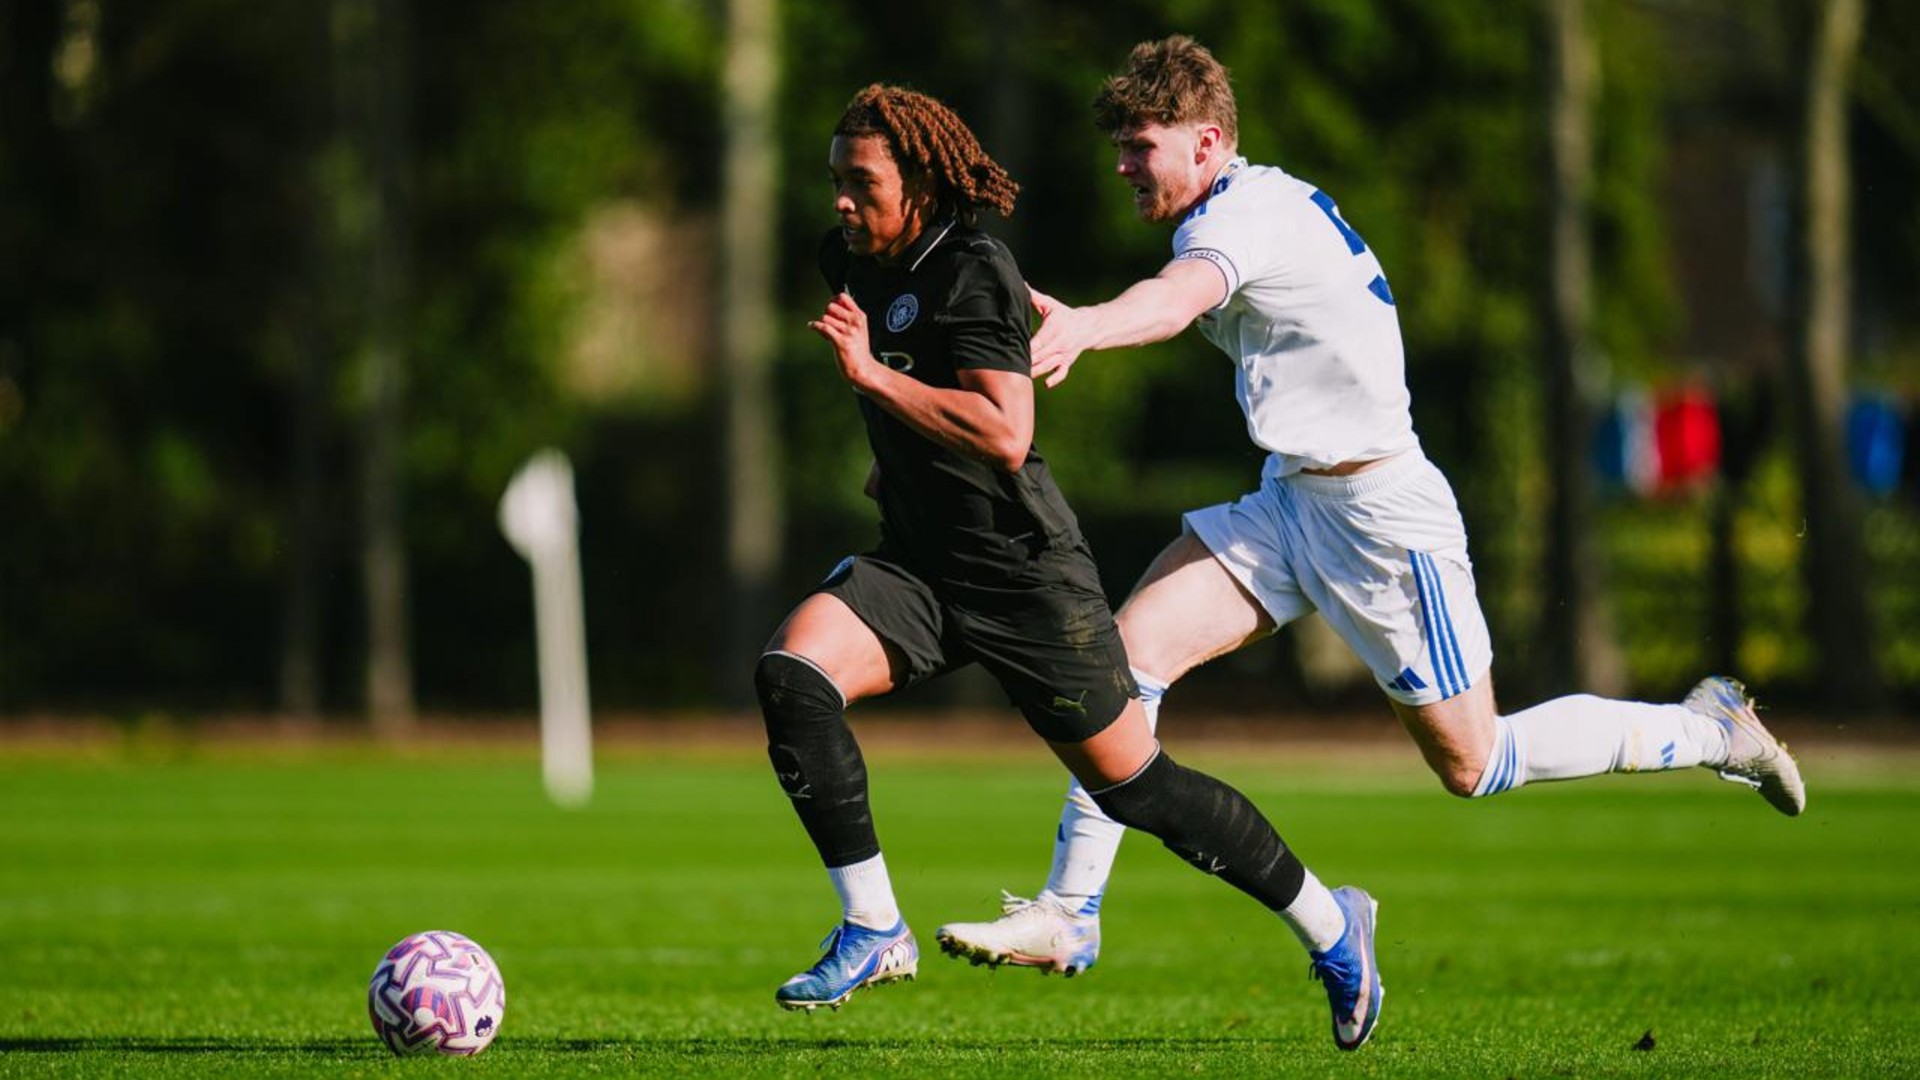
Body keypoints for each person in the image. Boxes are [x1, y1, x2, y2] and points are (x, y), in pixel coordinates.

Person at [933, 34, 1805, 981]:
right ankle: (1071, 912)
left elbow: (1179, 297)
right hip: (1289, 504)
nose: (1123, 165)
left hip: (1383, 518)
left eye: (1142, 144)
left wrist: (1092, 326)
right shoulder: (1236, 207)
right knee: (1122, 664)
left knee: (1476, 764)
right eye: (1122, 146)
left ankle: (1717, 731)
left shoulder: (1246, 215)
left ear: (1209, 140)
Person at [759, 82, 1385, 1050]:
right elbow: (908, 375)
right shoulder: (846, 258)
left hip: (1024, 575)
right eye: (835, 178)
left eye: (861, 181)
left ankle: (1335, 928)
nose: (841, 200)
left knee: (1141, 788)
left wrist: (877, 381)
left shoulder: (974, 268)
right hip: (923, 568)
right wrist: (894, 453)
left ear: (919, 180)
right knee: (793, 673)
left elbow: (1007, 433)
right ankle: (875, 927)